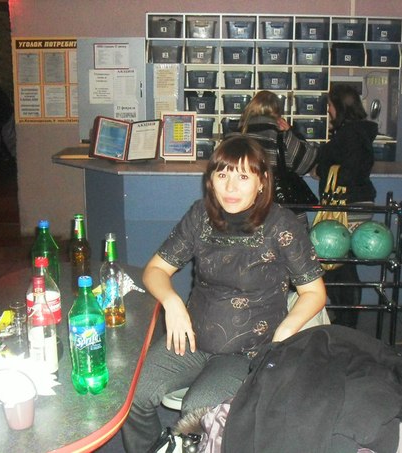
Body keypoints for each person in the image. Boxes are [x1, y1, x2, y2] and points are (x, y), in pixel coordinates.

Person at [121, 135, 326, 452]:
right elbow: (155, 270)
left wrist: (285, 331)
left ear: (262, 181)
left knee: (198, 411)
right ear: (211, 179)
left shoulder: (282, 225)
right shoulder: (201, 216)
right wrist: (172, 302)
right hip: (192, 338)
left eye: (243, 176)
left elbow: (314, 291)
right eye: (223, 174)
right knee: (132, 395)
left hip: (248, 350)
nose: (230, 187)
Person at [314, 83, 378, 328]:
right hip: (359, 204)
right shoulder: (360, 132)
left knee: (339, 266)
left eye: (330, 105)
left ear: (338, 106)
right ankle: (345, 317)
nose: (328, 110)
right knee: (341, 264)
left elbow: (343, 170)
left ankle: (347, 320)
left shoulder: (348, 135)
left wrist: (325, 168)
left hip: (346, 206)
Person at [236, 90, 319, 224]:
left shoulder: (235, 136)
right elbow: (306, 163)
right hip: (281, 209)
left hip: (247, 206)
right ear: (277, 111)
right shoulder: (281, 135)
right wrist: (292, 132)